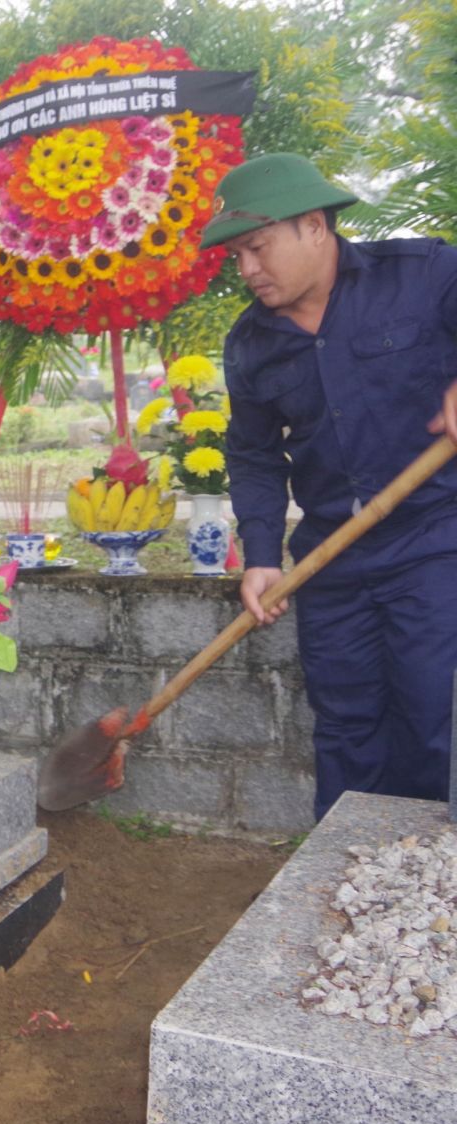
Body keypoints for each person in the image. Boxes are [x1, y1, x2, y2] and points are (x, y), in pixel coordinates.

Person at [202, 152, 457, 819]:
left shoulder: (424, 275)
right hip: (332, 559)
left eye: (257, 248)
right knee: (345, 727)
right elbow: (254, 455)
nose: (247, 269)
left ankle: (430, 868)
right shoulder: (250, 344)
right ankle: (343, 866)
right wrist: (261, 555)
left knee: (433, 716)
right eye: (236, 255)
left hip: (436, 542)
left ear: (314, 226)